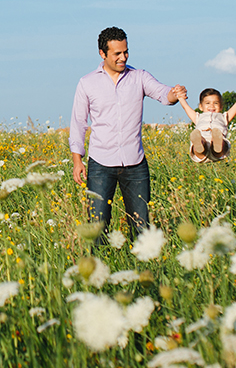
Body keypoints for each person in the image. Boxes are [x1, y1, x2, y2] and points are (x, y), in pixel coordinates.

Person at [69, 26, 184, 237]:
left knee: (141, 227)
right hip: (100, 164)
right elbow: (78, 123)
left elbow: (162, 94)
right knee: (96, 227)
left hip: (135, 165)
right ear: (103, 54)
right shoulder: (87, 83)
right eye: (117, 54)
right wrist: (77, 160)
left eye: (126, 51)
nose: (123, 57)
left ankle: (142, 266)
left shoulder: (139, 77)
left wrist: (175, 93)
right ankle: (101, 267)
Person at [176, 80, 236, 163]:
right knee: (198, 146)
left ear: (221, 106)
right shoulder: (197, 117)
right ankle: (199, 144)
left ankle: (216, 143)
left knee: (221, 143)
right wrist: (179, 96)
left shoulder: (224, 117)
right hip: (203, 139)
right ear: (200, 106)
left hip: (218, 144)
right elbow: (185, 107)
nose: (212, 106)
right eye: (207, 103)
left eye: (216, 103)